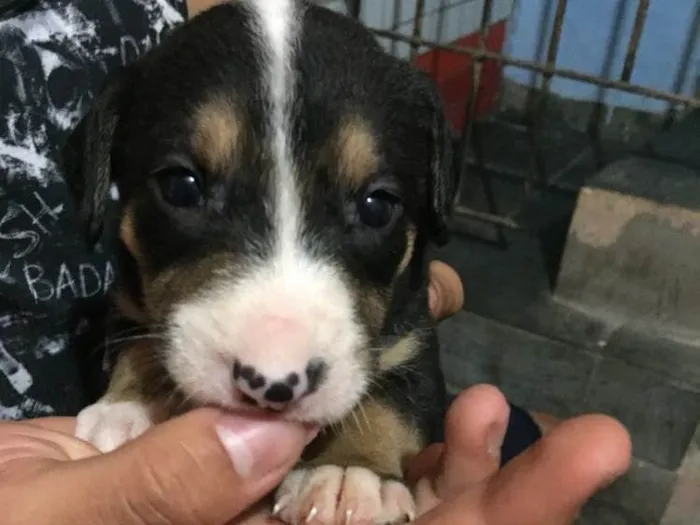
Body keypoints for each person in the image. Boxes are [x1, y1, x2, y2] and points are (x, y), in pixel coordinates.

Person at [0, 0, 632, 523]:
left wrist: (361, 455)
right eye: (185, 190)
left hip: (420, 428)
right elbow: (123, 320)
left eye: (376, 206)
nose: (275, 369)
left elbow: (409, 359)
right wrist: (138, 377)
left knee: (517, 439)